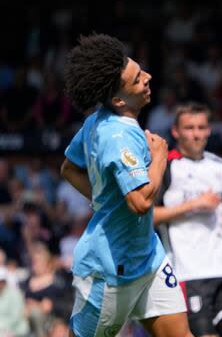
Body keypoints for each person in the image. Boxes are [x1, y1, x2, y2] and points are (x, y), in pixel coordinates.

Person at [59, 33, 191, 337]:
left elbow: (69, 167)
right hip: (109, 270)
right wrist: (159, 158)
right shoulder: (119, 135)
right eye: (137, 79)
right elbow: (141, 202)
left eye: (140, 70)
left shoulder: (97, 120)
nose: (147, 77)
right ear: (119, 99)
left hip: (147, 257)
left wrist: (104, 202)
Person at [153, 103, 222, 337]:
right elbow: (147, 215)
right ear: (176, 131)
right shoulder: (165, 166)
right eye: (189, 128)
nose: (196, 133)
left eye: (201, 127)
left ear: (209, 130)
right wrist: (194, 204)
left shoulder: (219, 165)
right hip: (187, 272)